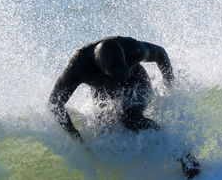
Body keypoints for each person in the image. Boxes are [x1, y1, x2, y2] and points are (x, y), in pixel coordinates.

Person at [48, 36, 200, 178]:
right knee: (105, 135)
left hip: (136, 81)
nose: (120, 77)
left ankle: (184, 156)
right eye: (115, 74)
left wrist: (169, 83)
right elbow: (54, 104)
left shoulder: (134, 49)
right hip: (103, 92)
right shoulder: (77, 67)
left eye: (122, 68)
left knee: (129, 118)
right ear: (101, 68)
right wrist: (76, 137)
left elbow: (161, 53)